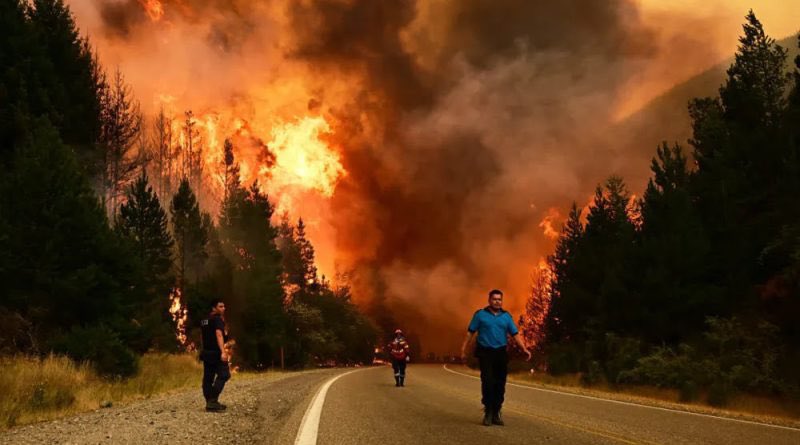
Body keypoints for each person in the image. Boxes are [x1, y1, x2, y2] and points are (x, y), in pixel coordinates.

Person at [460, 289, 531, 426]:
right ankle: (488, 411)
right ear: (489, 300)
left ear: (501, 301)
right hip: (485, 352)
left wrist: (524, 348)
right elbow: (470, 333)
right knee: (487, 381)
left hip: (500, 353)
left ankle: (497, 411)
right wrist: (463, 349)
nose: (497, 302)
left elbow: (515, 334)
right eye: (494, 299)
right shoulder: (480, 315)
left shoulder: (506, 317)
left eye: (499, 299)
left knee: (500, 383)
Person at [200, 299, 231, 412]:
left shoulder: (204, 320)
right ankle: (212, 401)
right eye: (221, 306)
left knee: (208, 378)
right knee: (224, 374)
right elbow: (218, 335)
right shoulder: (217, 319)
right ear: (214, 308)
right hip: (216, 352)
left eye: (224, 306)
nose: (223, 308)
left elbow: (203, 336)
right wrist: (223, 351)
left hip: (207, 352)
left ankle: (210, 403)